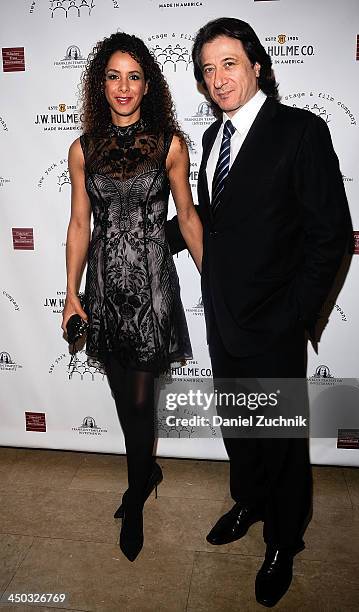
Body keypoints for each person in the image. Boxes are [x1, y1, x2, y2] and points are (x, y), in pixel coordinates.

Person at [190, 17, 351, 607]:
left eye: (229, 63)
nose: (217, 78)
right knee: (240, 428)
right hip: (222, 315)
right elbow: (215, 222)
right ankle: (250, 502)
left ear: (257, 65)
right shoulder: (211, 142)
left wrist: (297, 314)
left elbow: (331, 233)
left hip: (275, 320)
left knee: (281, 439)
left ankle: (285, 539)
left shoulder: (300, 131)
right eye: (208, 69)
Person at [61, 32, 202, 563]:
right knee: (125, 401)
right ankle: (147, 469)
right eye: (114, 76)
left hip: (153, 290)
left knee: (141, 401)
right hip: (102, 289)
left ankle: (136, 495)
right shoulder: (82, 149)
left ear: (148, 85)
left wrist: (214, 281)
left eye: (134, 76)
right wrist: (72, 296)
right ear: (102, 84)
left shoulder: (169, 143)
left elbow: (186, 216)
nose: (123, 86)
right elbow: (79, 224)